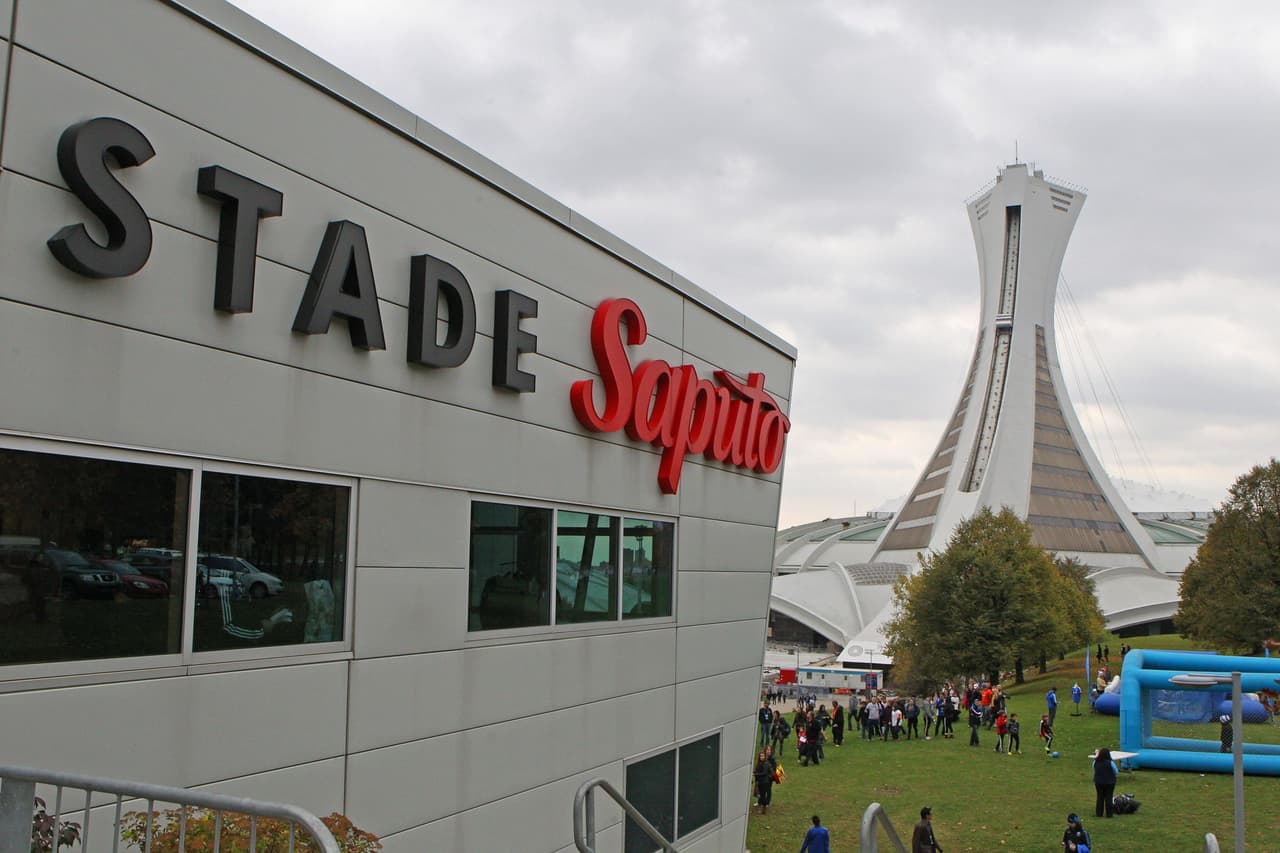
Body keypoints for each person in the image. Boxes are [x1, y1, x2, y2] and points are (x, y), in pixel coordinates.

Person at [1093, 747, 1118, 818]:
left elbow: (1094, 768)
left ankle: (1099, 813)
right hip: (1109, 782)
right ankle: (1109, 814)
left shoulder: (1095, 762)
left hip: (1098, 782)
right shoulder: (1110, 763)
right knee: (1108, 797)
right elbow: (1116, 771)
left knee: (1100, 797)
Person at [753, 748, 777, 814]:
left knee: (763, 795)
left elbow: (764, 773)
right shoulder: (759, 763)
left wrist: (755, 774)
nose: (761, 757)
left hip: (764, 782)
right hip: (760, 781)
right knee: (761, 795)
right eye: (760, 756)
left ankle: (763, 808)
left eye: (762, 756)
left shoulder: (766, 763)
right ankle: (761, 806)